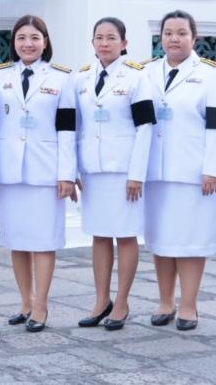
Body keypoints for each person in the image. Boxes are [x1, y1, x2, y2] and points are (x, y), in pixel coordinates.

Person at [142, 10, 216, 331]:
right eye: (168, 32)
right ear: (161, 37)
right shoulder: (147, 71)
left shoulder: (211, 73)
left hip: (195, 173)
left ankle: (189, 305)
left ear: (194, 37)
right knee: (162, 239)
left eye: (181, 33)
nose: (174, 39)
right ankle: (166, 301)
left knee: (191, 240)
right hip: (156, 172)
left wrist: (212, 169)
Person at [0, 14, 76, 333]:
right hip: (9, 169)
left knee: (43, 241)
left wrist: (67, 172)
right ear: (14, 43)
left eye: (34, 38)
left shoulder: (62, 79)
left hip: (45, 170)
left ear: (45, 42)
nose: (28, 43)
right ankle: (25, 301)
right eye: (22, 38)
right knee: (18, 240)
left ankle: (41, 304)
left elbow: (68, 129)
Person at [74, 17, 155, 331]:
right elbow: (76, 126)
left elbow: (145, 127)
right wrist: (75, 168)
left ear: (124, 43)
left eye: (111, 37)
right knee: (99, 233)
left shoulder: (136, 77)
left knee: (125, 234)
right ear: (92, 42)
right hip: (93, 170)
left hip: (124, 171)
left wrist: (137, 174)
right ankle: (101, 300)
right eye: (99, 37)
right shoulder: (81, 78)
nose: (104, 43)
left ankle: (121, 301)